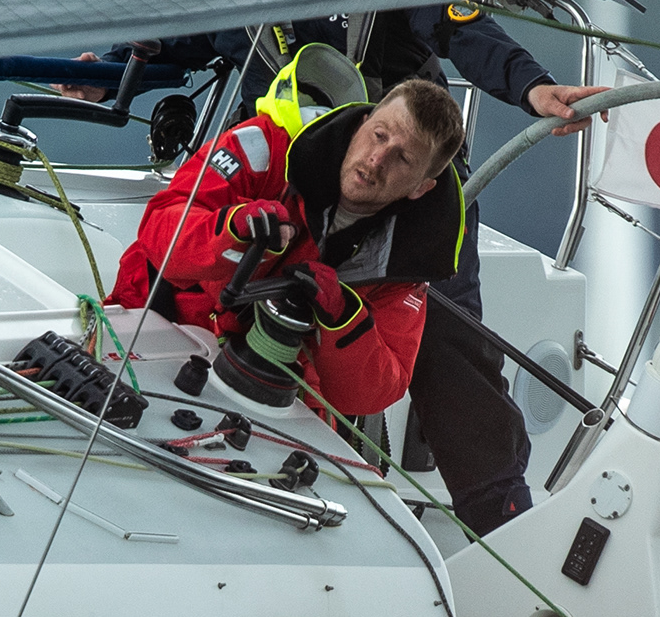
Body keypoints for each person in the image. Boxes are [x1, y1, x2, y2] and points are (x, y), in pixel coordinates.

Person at [231, 6, 579, 533]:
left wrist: (531, 87)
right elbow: (173, 28)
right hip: (287, 180)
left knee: (443, 332)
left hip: (410, 198)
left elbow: (459, 26)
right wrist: (115, 66)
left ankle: (499, 516)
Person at [109, 77, 471, 423]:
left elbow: (374, 393)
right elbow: (159, 233)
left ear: (421, 188)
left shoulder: (408, 260)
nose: (377, 158)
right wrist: (234, 230)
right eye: (378, 135)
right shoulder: (265, 147)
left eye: (403, 158)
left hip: (272, 396)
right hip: (155, 327)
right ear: (362, 123)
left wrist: (343, 318)